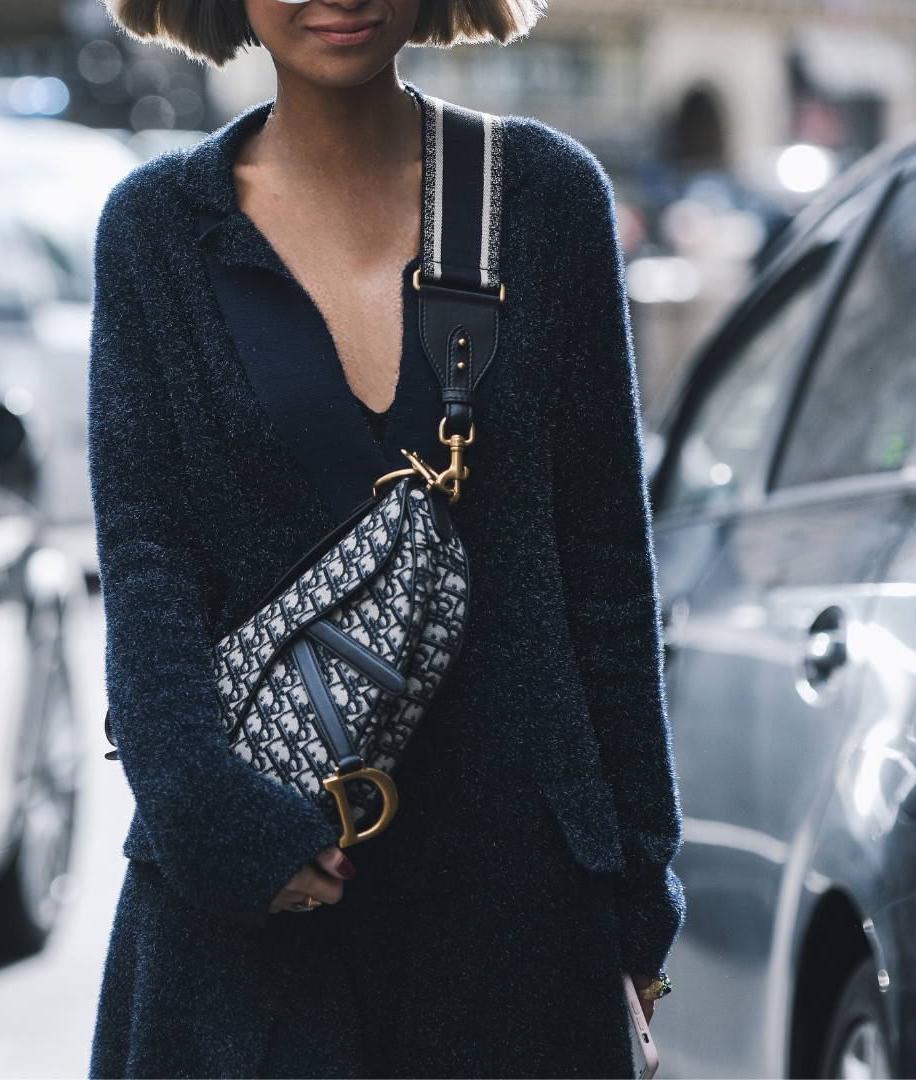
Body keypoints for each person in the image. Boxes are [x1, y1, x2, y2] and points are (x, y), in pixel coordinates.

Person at [88, 0, 684, 1071]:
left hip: (519, 916)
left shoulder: (546, 199)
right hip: (250, 918)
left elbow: (606, 571)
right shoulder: (156, 232)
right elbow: (147, 566)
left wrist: (641, 898)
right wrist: (216, 825)